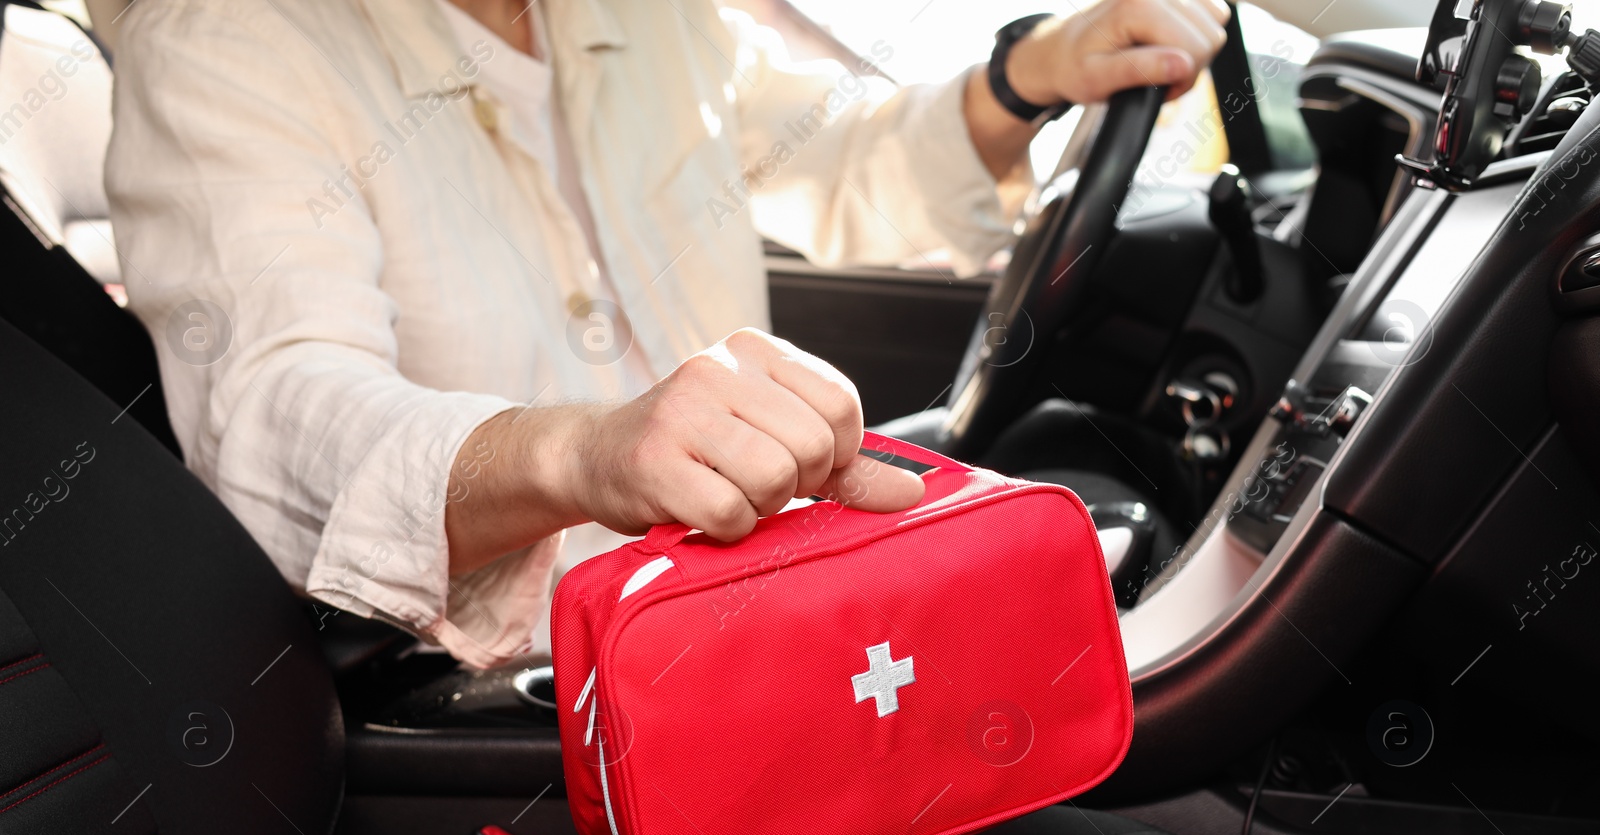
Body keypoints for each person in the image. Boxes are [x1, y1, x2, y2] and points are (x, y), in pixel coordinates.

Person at [105, 0, 1227, 667]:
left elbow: (827, 154)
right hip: (530, 687)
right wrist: (576, 453)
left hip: (773, 599)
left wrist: (1025, 74)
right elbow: (279, 416)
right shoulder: (225, 37)